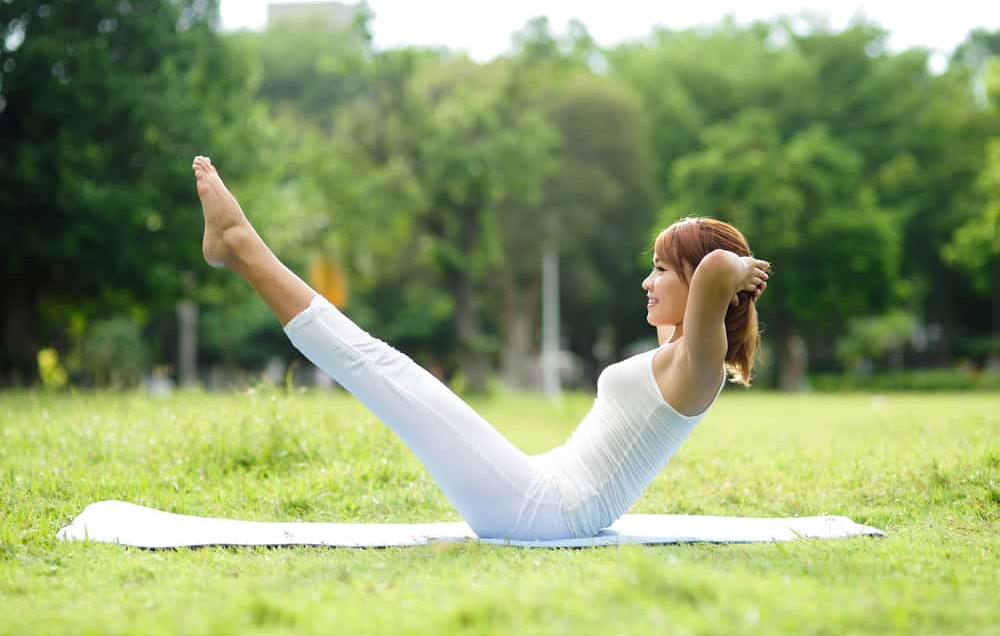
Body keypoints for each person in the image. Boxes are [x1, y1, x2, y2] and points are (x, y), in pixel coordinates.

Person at [191, 155, 770, 540]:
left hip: (546, 512)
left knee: (385, 369)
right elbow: (710, 272)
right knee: (390, 372)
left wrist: (741, 267)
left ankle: (240, 244)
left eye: (663, 269)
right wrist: (717, 273)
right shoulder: (674, 348)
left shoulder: (700, 366)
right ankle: (239, 246)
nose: (647, 281)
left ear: (701, 287)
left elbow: (718, 264)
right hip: (543, 490)